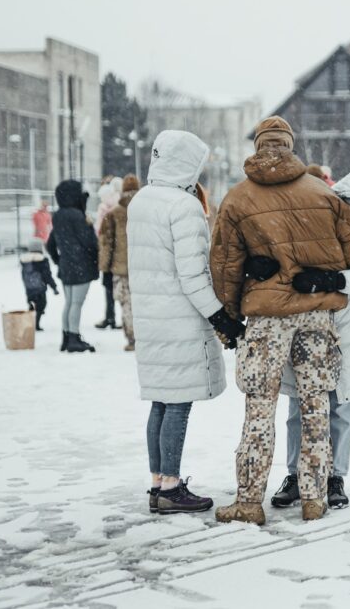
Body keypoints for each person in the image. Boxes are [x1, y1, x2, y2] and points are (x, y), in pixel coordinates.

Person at [210, 116, 350, 525]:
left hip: (266, 316)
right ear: (290, 145)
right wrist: (319, 267)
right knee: (316, 404)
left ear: (259, 145)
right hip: (316, 312)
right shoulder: (322, 193)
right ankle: (314, 497)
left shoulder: (237, 199)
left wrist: (231, 311)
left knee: (259, 408)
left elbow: (225, 265)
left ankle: (249, 501)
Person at [253, 165, 350, 511]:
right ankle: (296, 474)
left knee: (341, 404)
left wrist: (334, 280)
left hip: (346, 322)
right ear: (344, 197)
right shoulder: (316, 212)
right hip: (305, 320)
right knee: (299, 402)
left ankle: (334, 475)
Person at [127, 130, 239, 515]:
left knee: (161, 400)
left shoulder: (141, 201)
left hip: (150, 317)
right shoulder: (184, 206)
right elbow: (193, 276)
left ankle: (159, 481)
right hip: (179, 318)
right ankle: (172, 488)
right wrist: (220, 316)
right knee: (178, 405)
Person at [47, 180, 99, 353]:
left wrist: (59, 260)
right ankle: (74, 339)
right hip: (81, 266)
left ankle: (67, 337)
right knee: (76, 303)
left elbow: (50, 244)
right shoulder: (78, 216)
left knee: (69, 303)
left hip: (67, 266)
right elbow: (90, 243)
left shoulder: (58, 215)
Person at [98, 174, 140, 351]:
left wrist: (104, 267)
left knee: (127, 304)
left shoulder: (114, 213)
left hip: (121, 267)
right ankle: (147, 336)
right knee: (144, 304)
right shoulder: (146, 210)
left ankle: (132, 339)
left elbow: (106, 242)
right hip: (144, 266)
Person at [94, 176, 123, 330]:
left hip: (109, 253)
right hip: (120, 254)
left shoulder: (105, 209)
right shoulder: (123, 206)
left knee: (109, 287)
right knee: (121, 288)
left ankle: (110, 317)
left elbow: (100, 232)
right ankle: (119, 317)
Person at [20, 237, 59, 331]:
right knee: (41, 305)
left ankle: (30, 321)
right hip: (40, 288)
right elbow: (47, 276)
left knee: (32, 304)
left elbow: (23, 276)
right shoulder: (42, 260)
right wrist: (54, 287)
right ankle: (36, 324)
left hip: (29, 288)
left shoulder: (24, 261)